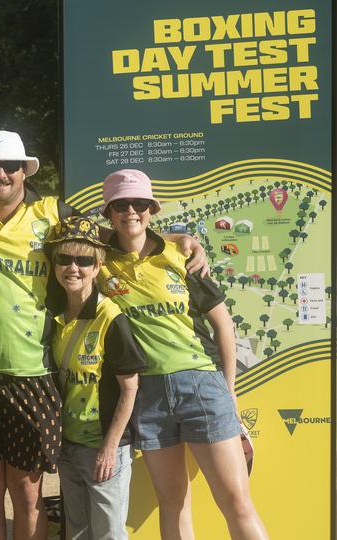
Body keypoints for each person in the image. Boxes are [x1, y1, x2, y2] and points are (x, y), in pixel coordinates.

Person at [0, 130, 209, 540]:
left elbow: (110, 236)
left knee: (29, 494)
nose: (1, 174)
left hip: (36, 372)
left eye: (10, 166)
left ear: (25, 171)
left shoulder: (51, 211)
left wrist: (174, 238)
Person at [97, 169, 268, 540]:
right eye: (121, 204)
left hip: (202, 385)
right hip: (148, 394)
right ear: (108, 212)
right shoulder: (97, 261)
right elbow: (68, 234)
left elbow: (224, 326)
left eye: (140, 203)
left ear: (152, 209)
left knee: (236, 500)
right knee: (172, 503)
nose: (131, 211)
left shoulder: (181, 254)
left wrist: (229, 390)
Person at [46, 216, 145, 540]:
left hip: (104, 448)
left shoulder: (110, 318)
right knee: (76, 531)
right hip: (69, 446)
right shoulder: (55, 315)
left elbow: (129, 389)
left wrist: (109, 448)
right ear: (54, 262)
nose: (73, 268)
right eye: (64, 258)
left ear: (98, 265)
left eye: (84, 260)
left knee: (108, 534)